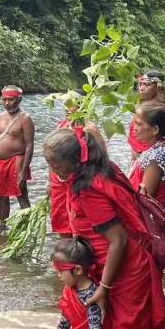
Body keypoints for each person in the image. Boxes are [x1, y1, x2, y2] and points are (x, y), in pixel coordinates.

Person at [44, 126, 165, 329]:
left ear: (76, 161)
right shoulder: (101, 169)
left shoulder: (89, 190)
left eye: (55, 164)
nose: (52, 169)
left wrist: (104, 287)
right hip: (115, 264)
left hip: (123, 271)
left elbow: (118, 240)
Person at [50, 94, 101, 237]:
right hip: (59, 181)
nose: (67, 108)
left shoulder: (89, 128)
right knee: (61, 218)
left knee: (80, 219)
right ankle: (66, 250)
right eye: (65, 104)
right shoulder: (61, 126)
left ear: (81, 106)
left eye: (70, 104)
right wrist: (50, 181)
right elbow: (53, 155)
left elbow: (99, 157)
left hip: (80, 179)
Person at [0, 85, 34, 225]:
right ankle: (3, 226)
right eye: (4, 100)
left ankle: (27, 227)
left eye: (10, 99)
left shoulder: (25, 119)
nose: (7, 103)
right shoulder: (0, 117)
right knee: (1, 197)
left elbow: (29, 146)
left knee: (21, 195)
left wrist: (23, 171)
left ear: (19, 100)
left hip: (17, 161)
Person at [129, 70, 165, 160]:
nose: (141, 88)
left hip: (153, 160)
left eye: (147, 84)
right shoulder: (139, 108)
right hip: (137, 160)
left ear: (158, 87)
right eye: (140, 84)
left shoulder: (163, 112)